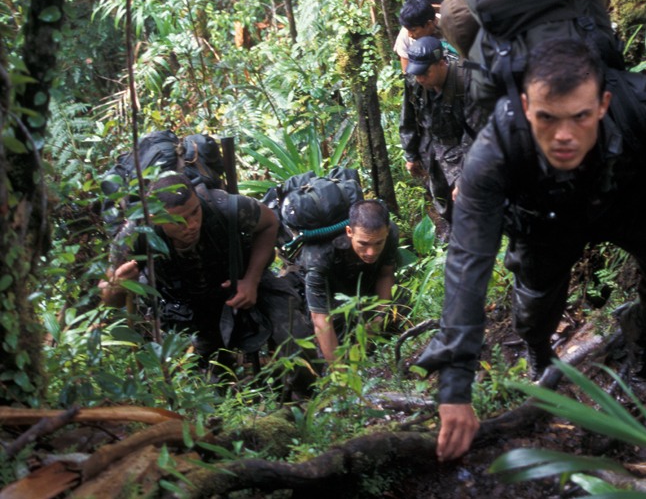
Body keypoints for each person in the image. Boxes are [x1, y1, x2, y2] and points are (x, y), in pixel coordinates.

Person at [415, 38, 646, 461]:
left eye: (580, 117)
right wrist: (455, 387)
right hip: (544, 223)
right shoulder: (492, 155)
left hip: (627, 199)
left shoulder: (640, 103)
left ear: (603, 103)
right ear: (525, 107)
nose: (564, 137)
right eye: (547, 119)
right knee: (535, 306)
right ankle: (539, 356)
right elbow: (467, 266)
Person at [101, 173, 309, 372]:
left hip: (242, 283)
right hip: (188, 307)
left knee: (298, 342)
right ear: (156, 218)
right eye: (179, 221)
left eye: (194, 212)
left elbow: (269, 223)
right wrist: (118, 285)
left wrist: (251, 280)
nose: (192, 225)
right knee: (203, 375)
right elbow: (110, 300)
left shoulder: (223, 206)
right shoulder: (135, 235)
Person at [301, 199, 401, 366]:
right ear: (349, 231)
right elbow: (320, 320)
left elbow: (386, 275)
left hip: (361, 284)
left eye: (378, 243)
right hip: (328, 293)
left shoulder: (390, 234)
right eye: (363, 243)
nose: (371, 252)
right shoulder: (319, 256)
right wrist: (338, 371)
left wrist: (378, 318)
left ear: (387, 232)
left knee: (400, 309)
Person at [400, 36, 486, 223]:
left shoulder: (466, 81)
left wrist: (464, 176)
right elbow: (408, 117)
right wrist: (411, 154)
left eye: (425, 73)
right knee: (440, 197)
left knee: (469, 200)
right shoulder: (415, 82)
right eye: (417, 74)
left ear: (441, 63)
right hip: (430, 148)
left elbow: (475, 134)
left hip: (462, 150)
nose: (420, 79)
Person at [394, 0, 441, 70]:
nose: (410, 35)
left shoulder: (448, 26)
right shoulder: (404, 34)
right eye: (408, 30)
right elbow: (406, 71)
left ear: (429, 24)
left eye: (413, 30)